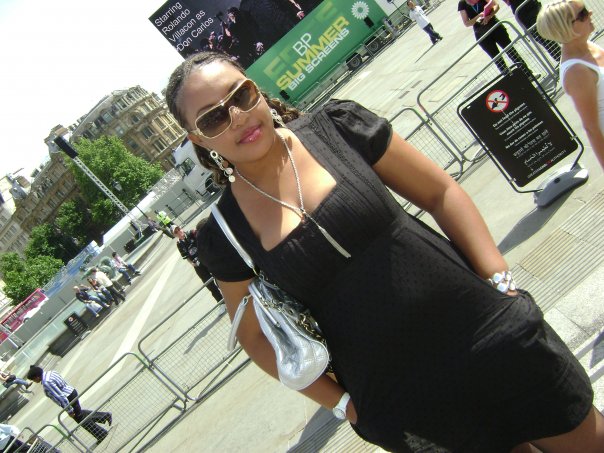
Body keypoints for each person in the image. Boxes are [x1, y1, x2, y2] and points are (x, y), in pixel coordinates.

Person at [165, 51, 604, 452]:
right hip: (407, 403)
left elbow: (439, 192)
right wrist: (344, 406)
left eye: (241, 95)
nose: (238, 117)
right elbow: (254, 338)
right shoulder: (223, 235)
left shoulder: (338, 128)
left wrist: (501, 282)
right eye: (213, 118)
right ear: (199, 140)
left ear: (257, 89)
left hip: (490, 333)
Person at [537, 1, 604, 170]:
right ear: (565, 28)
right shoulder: (576, 72)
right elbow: (591, 128)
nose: (590, 13)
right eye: (583, 14)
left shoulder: (587, 46)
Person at [26, 366, 111, 446]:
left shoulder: (46, 383)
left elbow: (60, 396)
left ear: (37, 377)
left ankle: (101, 433)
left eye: (33, 379)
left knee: (80, 419)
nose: (34, 381)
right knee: (80, 414)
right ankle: (104, 417)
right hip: (71, 392)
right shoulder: (51, 373)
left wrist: (69, 410)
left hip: (68, 398)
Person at [458, 0, 531, 74]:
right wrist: (478, 16)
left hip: (496, 27)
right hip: (482, 35)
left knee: (511, 51)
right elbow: (467, 23)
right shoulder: (462, 3)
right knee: (498, 60)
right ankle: (511, 78)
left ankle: (527, 73)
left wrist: (490, 16)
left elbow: (496, 5)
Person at [171, 223, 224, 304]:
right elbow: (186, 256)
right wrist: (192, 264)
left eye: (178, 229)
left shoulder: (191, 233)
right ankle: (221, 302)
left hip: (206, 260)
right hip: (198, 266)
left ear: (181, 228)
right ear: (174, 235)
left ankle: (228, 294)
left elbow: (203, 240)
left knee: (219, 277)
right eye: (176, 232)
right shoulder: (179, 244)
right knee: (209, 285)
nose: (179, 232)